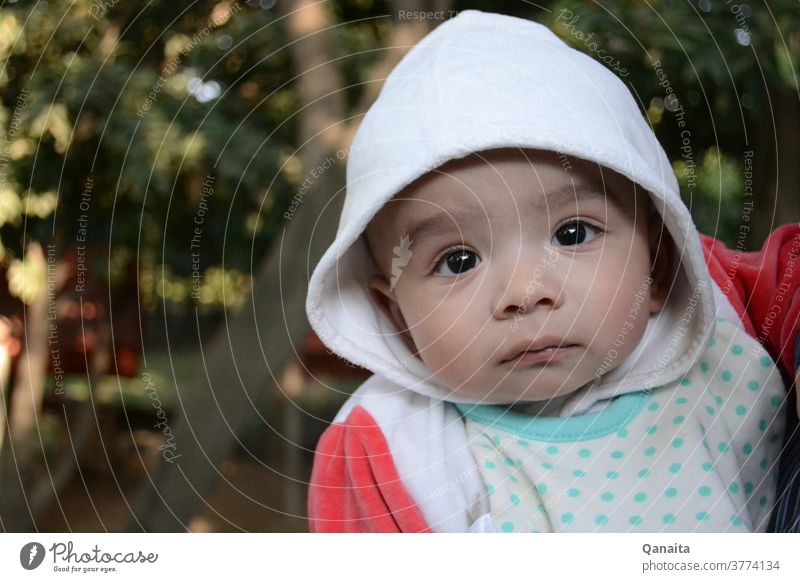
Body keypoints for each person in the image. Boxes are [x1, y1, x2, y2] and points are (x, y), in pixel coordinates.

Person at [304, 10, 800, 532]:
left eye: (573, 234)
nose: (525, 292)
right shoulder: (393, 453)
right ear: (396, 314)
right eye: (458, 261)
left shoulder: (726, 313)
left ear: (659, 264)